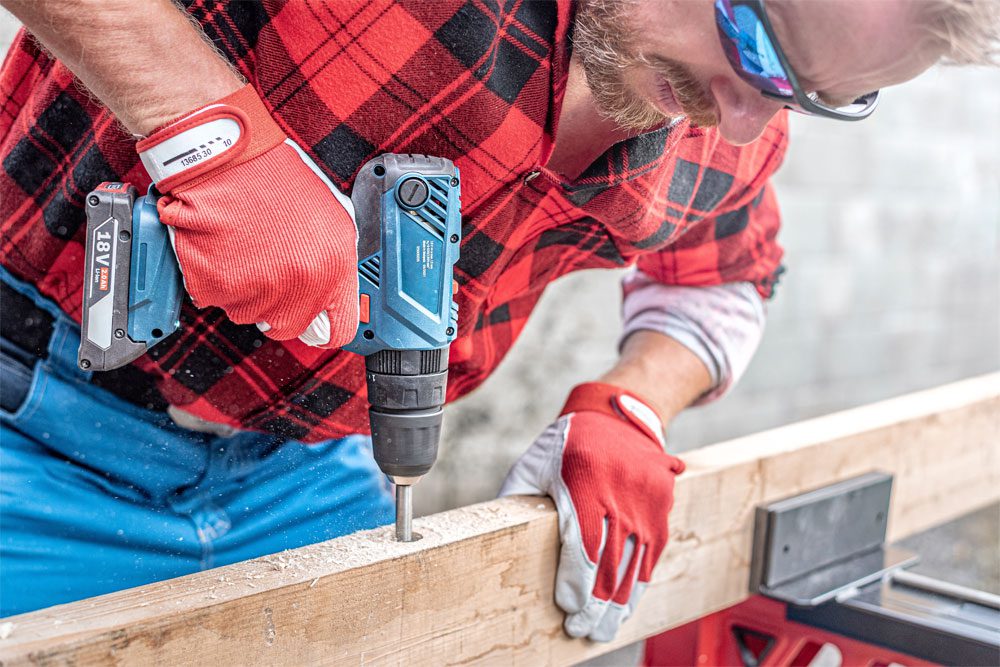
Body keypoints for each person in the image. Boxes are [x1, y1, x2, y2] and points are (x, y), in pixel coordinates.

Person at [0, 0, 994, 641]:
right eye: (754, 49)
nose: (742, 118)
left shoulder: (727, 122)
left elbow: (723, 279)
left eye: (819, 99)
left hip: (307, 481)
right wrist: (207, 134)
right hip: (31, 445)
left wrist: (631, 406)